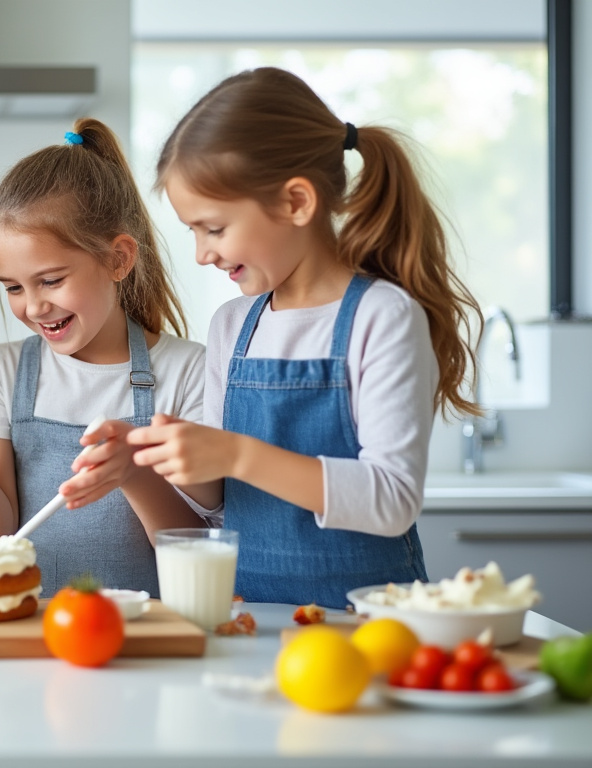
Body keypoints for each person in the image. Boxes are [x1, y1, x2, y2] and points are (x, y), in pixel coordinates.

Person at [128, 67, 482, 606]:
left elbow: (391, 500)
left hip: (368, 628)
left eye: (214, 228)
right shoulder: (232, 325)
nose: (202, 253)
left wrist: (236, 453)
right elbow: (223, 506)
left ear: (296, 202)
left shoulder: (382, 316)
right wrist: (174, 458)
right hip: (250, 619)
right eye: (192, 231)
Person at [0, 119, 206, 595]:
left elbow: (197, 550)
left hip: (143, 636)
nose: (33, 306)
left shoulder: (189, 372)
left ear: (118, 259)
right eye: (13, 286)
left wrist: (134, 471)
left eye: (51, 280)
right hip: (27, 631)